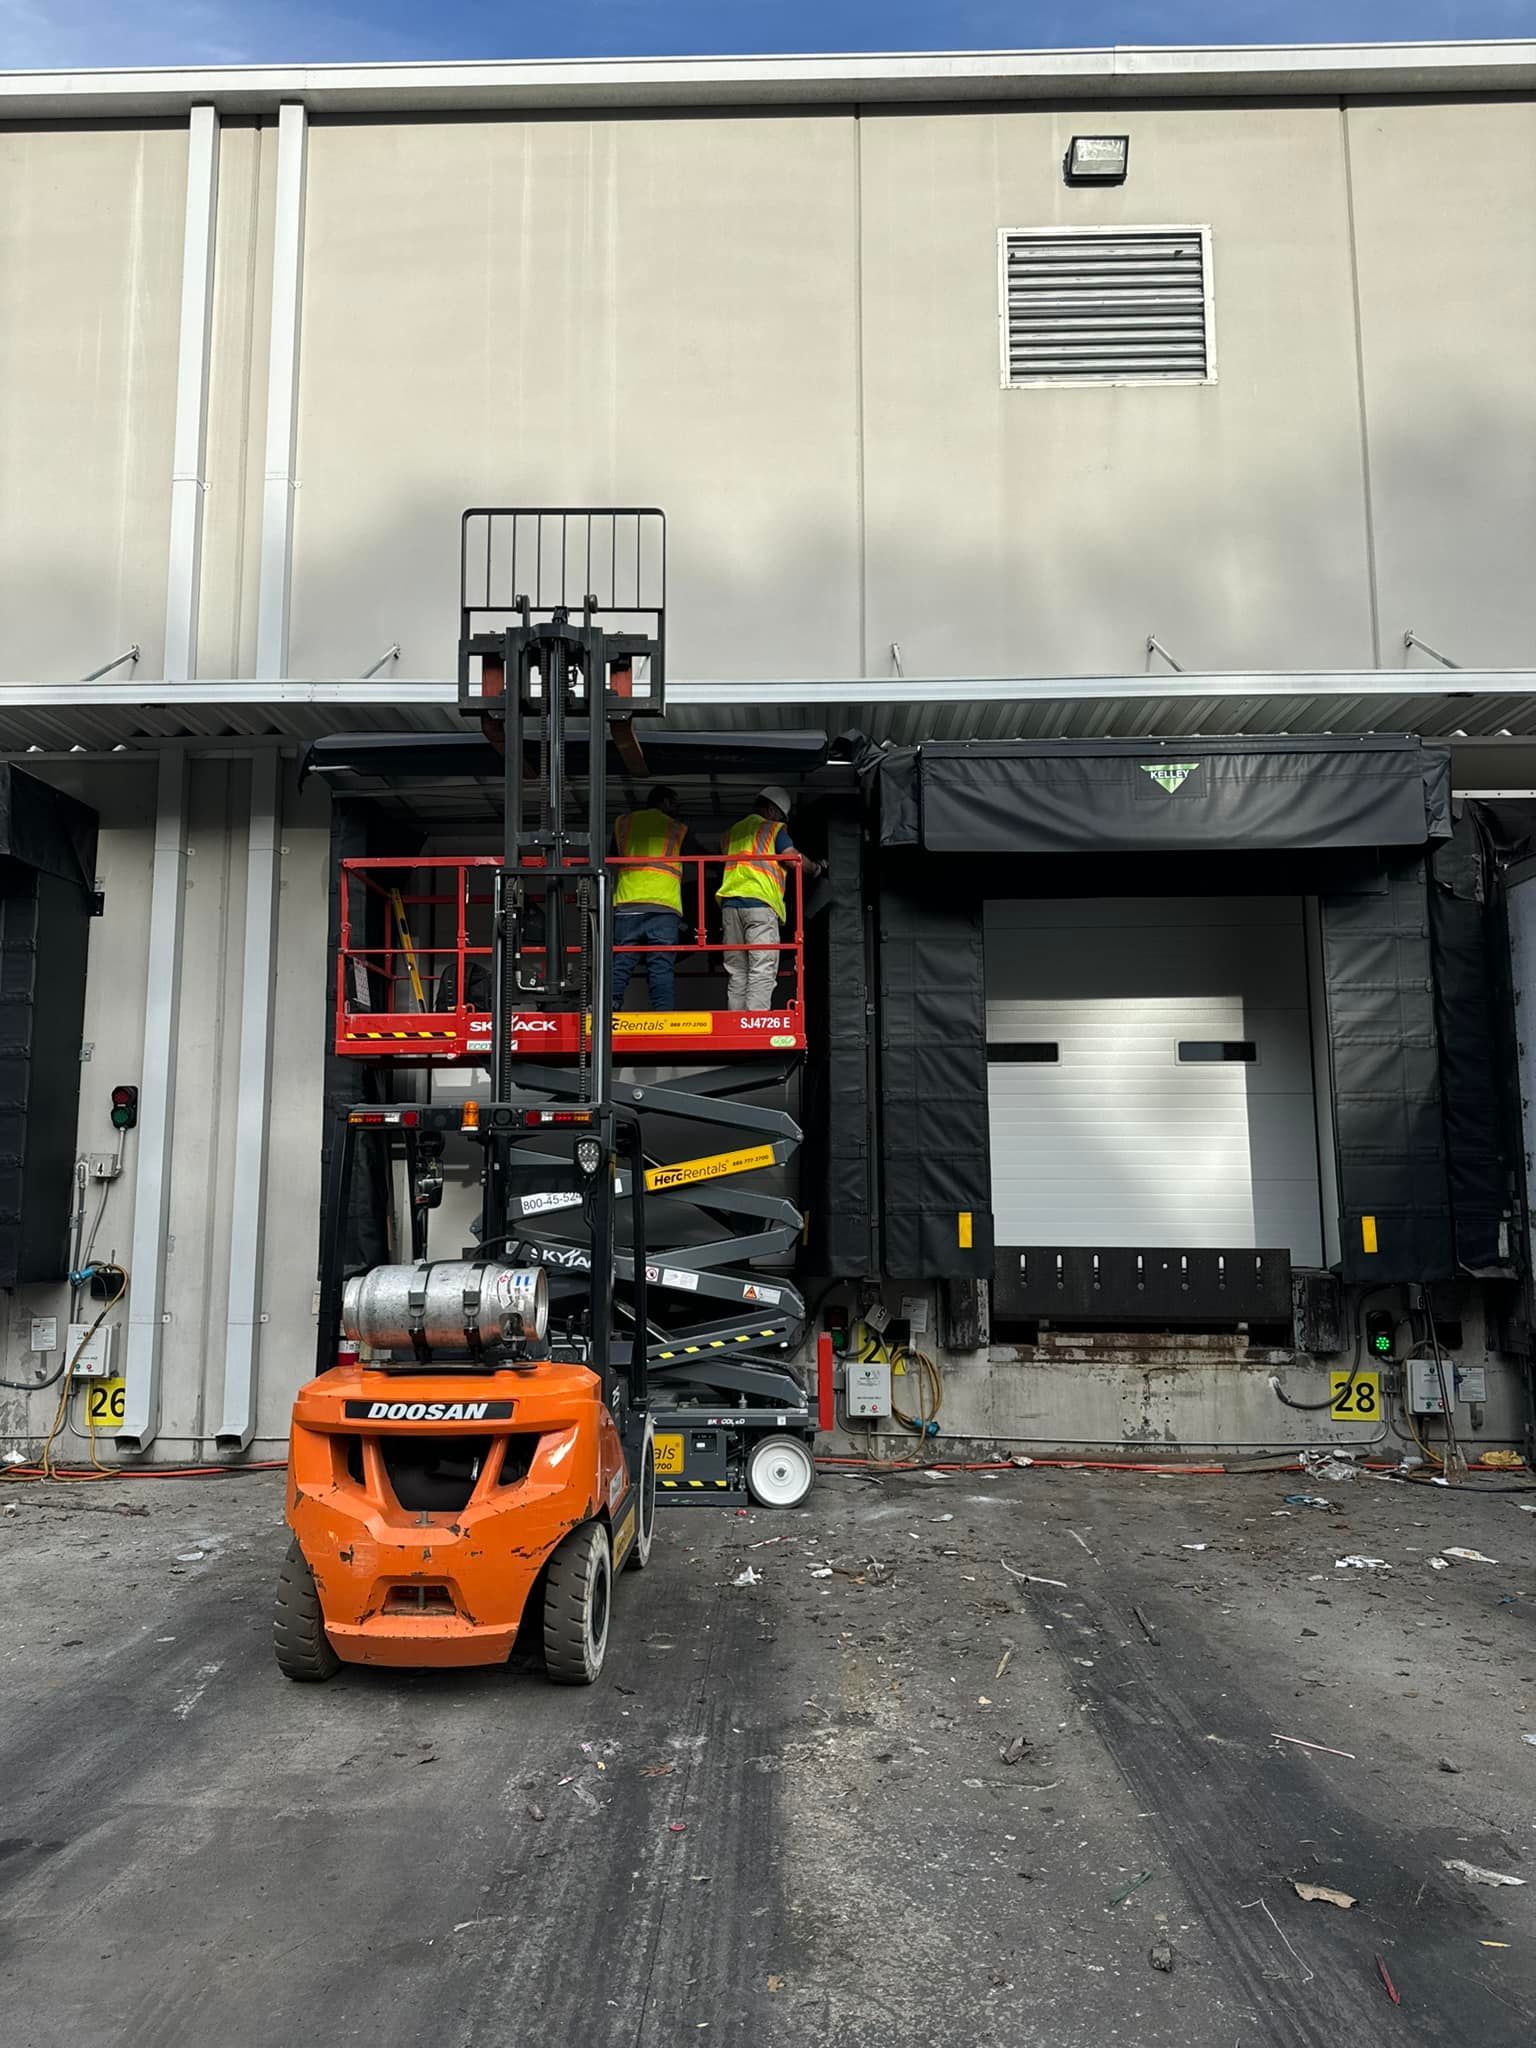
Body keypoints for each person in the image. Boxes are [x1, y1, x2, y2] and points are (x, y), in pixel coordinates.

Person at [715, 785, 809, 1012]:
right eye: (780, 815)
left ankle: (736, 1023)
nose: (780, 819)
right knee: (762, 968)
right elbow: (792, 858)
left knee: (737, 971)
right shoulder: (773, 830)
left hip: (730, 906)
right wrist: (815, 868)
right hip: (759, 904)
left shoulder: (731, 833)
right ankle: (755, 1025)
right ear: (771, 809)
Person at [610, 786, 690, 1010]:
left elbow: (613, 856)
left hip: (628, 904)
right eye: (674, 804)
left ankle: (610, 1006)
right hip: (663, 906)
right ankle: (663, 1013)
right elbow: (696, 854)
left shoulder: (623, 823)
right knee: (661, 965)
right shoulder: (676, 828)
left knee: (623, 961)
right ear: (664, 802)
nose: (677, 809)